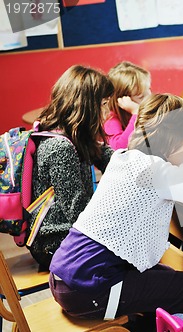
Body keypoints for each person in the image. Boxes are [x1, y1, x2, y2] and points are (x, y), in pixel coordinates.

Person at [49, 93, 183, 331]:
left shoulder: (124, 158)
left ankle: (151, 324)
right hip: (90, 287)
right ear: (173, 141)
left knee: (168, 276)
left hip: (66, 275)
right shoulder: (158, 172)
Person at [29, 65, 115, 270]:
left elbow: (111, 159)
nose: (108, 111)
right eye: (104, 104)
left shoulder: (77, 137)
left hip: (67, 235)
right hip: (53, 243)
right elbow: (78, 212)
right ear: (86, 105)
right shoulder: (59, 146)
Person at [104, 61, 152, 149]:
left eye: (149, 90)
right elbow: (119, 148)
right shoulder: (111, 120)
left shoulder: (149, 111)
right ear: (122, 100)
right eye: (141, 97)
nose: (149, 98)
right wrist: (136, 114)